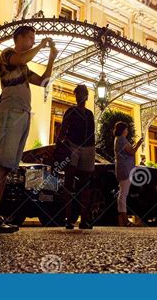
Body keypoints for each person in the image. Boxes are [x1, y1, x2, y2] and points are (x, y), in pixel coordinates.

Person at [0, 26, 58, 234]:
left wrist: (51, 57)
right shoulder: (8, 54)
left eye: (34, 39)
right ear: (19, 38)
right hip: (12, 109)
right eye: (31, 38)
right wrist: (42, 46)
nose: (33, 41)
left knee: (7, 165)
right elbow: (22, 59)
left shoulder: (22, 67)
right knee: (1, 163)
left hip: (23, 112)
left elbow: (43, 81)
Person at [59, 84, 95, 230]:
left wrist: (93, 149)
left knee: (85, 185)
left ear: (86, 96)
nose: (80, 96)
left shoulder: (89, 114)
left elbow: (92, 133)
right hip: (73, 146)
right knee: (69, 181)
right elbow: (62, 130)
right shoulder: (70, 111)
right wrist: (60, 146)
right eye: (77, 94)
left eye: (82, 94)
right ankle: (68, 219)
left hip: (88, 148)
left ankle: (84, 219)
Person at [114, 121, 143, 227]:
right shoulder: (122, 139)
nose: (127, 130)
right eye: (126, 129)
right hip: (125, 169)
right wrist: (139, 144)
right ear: (123, 130)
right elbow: (131, 151)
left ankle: (122, 219)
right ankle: (125, 219)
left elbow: (129, 150)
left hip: (122, 168)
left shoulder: (118, 139)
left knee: (122, 193)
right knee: (123, 194)